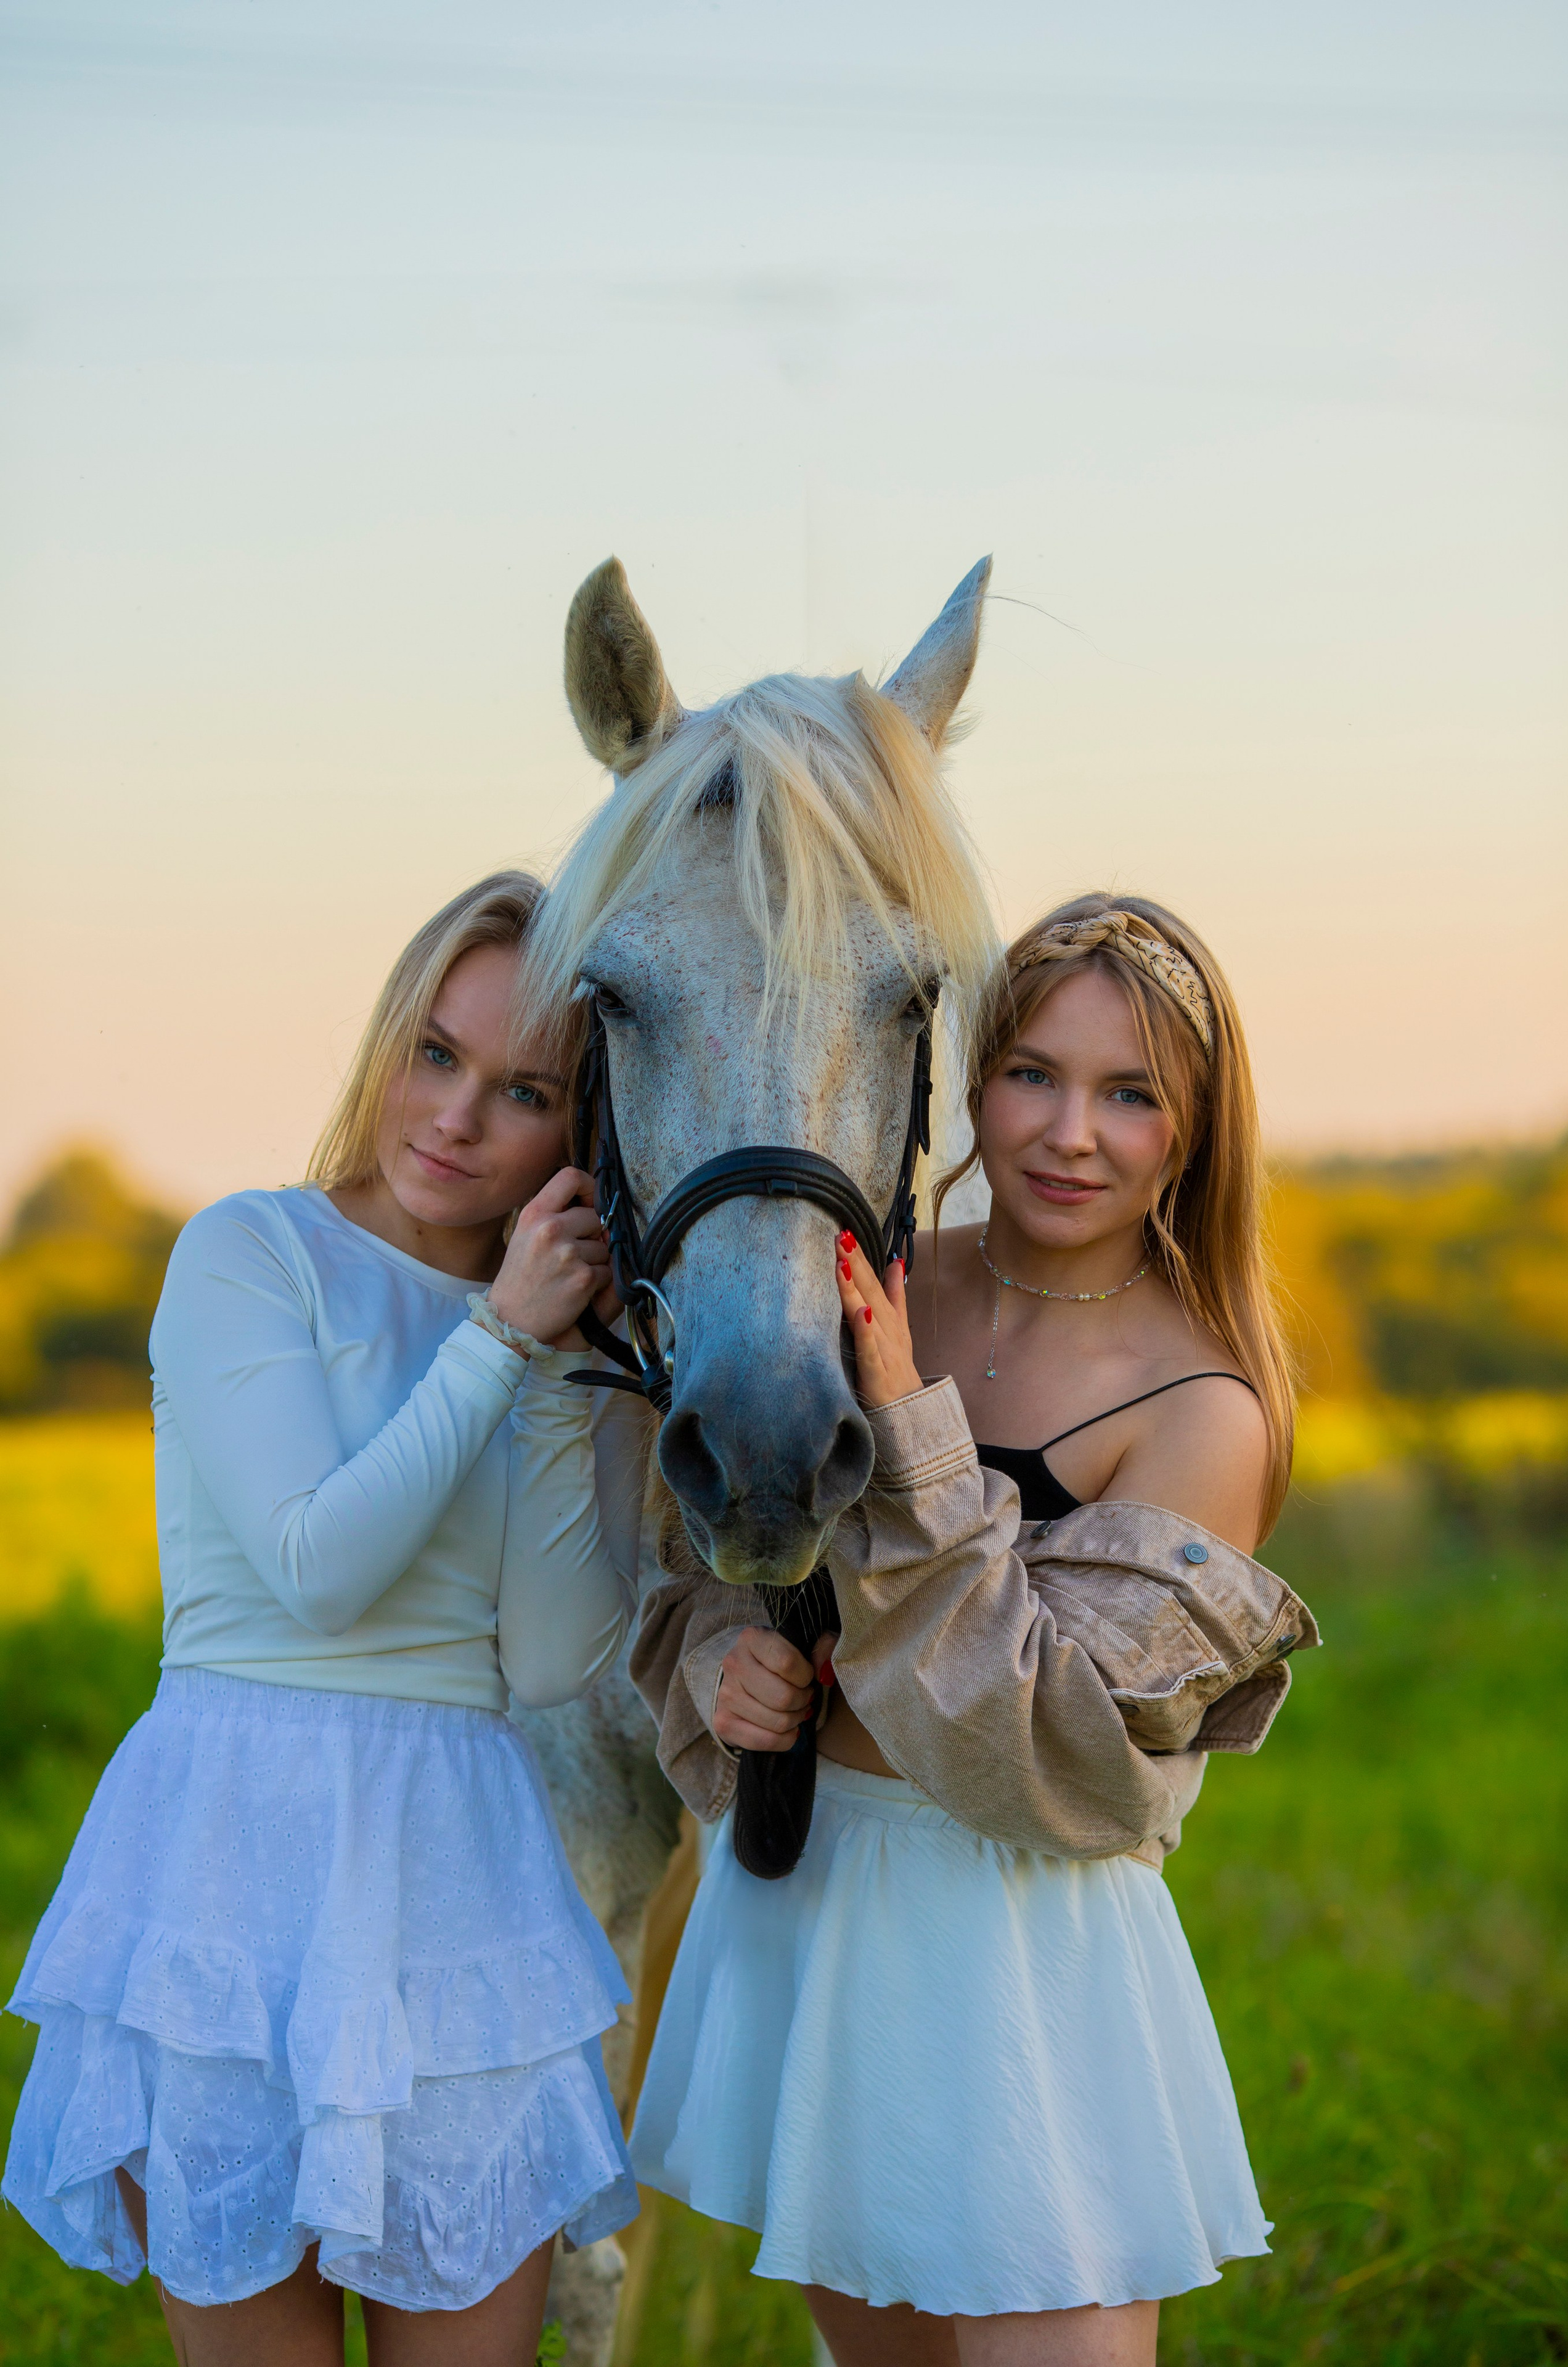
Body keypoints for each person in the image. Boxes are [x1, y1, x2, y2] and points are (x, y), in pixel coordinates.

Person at [628, 894, 1318, 2367]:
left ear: (1190, 1135)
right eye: (1033, 1076)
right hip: (823, 1899)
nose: (1070, 1133)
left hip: (1021, 1944)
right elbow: (712, 1560)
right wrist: (727, 1671)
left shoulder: (1203, 1408)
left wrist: (910, 1428)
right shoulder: (875, 1286)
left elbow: (1052, 1755)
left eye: (1129, 1096)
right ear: (966, 1080)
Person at [4, 872, 650, 2365]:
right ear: (386, 1041)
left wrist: (551, 1365)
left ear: (578, 1135)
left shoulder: (544, 1330)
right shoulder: (250, 1254)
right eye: (435, 1054)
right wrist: (498, 1341)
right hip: (239, 1858)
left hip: (458, 1881)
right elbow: (315, 1569)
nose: (456, 1118)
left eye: (524, 1091)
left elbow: (550, 1659)